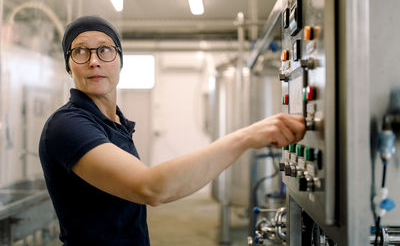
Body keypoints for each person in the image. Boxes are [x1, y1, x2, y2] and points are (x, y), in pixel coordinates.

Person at [39, 15, 305, 246]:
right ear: (68, 66)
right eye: (80, 51)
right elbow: (151, 187)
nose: (94, 61)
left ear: (119, 61)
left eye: (105, 50)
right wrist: (246, 136)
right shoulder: (67, 126)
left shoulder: (115, 123)